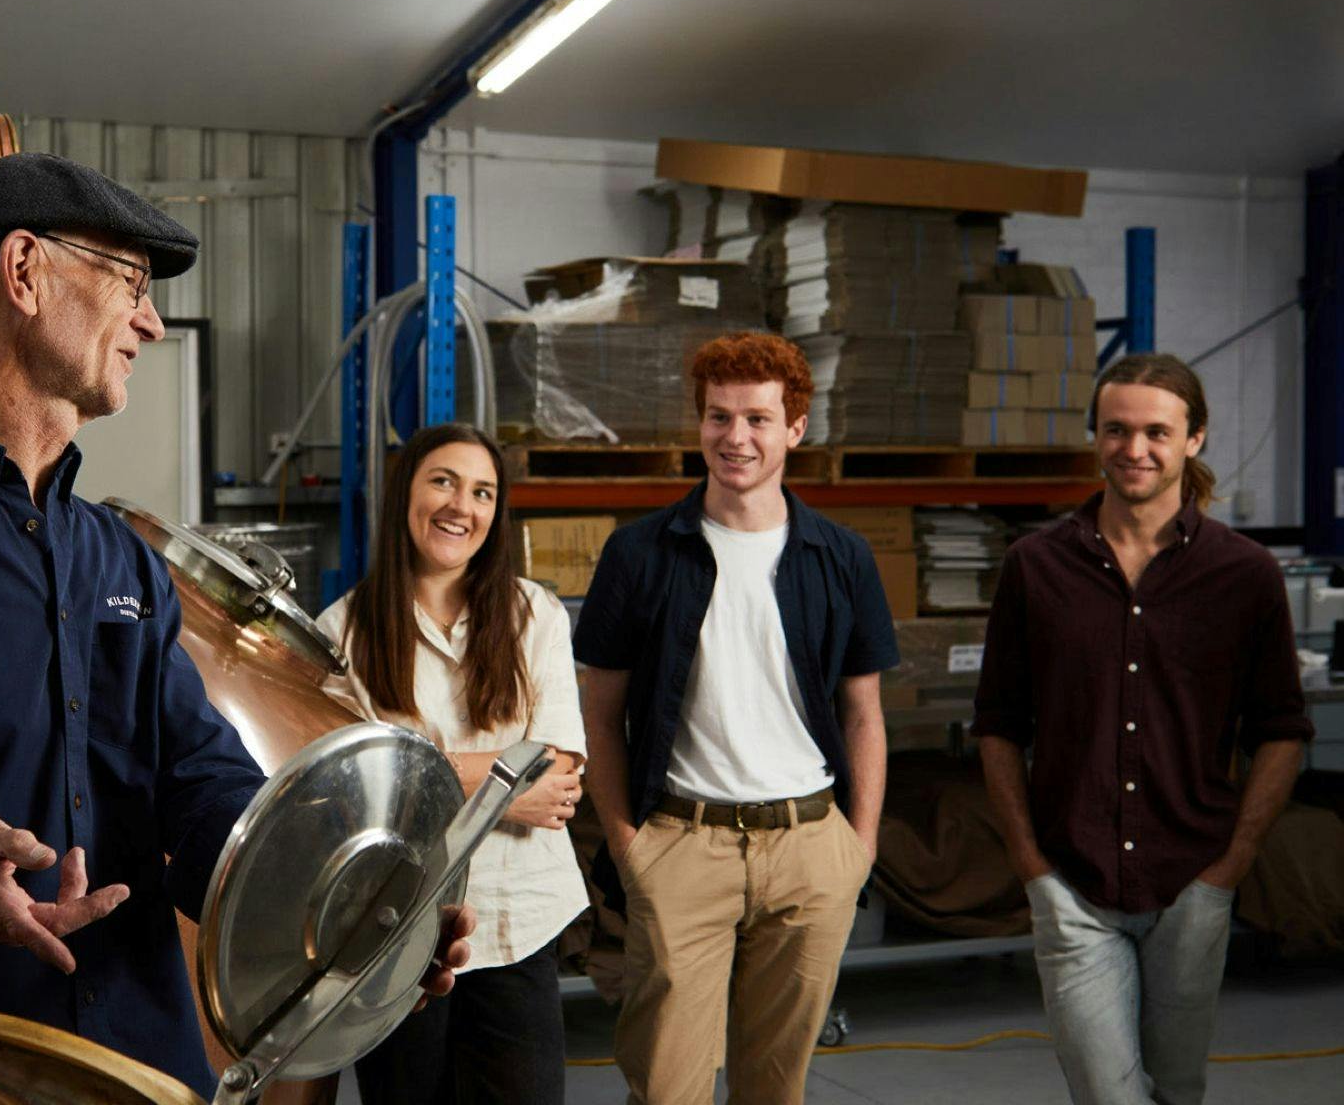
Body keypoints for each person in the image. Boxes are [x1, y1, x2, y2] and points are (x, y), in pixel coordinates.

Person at [0, 152, 470, 1096]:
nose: (152, 321)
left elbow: (200, 786)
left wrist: (355, 908)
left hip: (137, 1059)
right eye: (129, 281)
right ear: (23, 272)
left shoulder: (120, 559)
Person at [973, 353, 1312, 1105]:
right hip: (1072, 884)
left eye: (1157, 431)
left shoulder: (1245, 574)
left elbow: (1283, 729)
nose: (1135, 449)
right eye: (1117, 430)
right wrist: (1032, 865)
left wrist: (1234, 860)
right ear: (1094, 437)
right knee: (1109, 1094)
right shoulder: (1035, 567)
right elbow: (996, 725)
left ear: (1194, 439)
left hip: (1193, 882)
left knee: (1178, 1091)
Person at [574, 332, 898, 1105]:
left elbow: (864, 715)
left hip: (811, 849)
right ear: (700, 425)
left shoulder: (842, 557)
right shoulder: (640, 554)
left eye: (757, 418)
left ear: (796, 427)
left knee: (775, 1089)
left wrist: (857, 849)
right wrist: (630, 849)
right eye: (719, 417)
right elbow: (596, 713)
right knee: (666, 1088)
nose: (736, 438)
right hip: (682, 849)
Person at [316, 423, 589, 1104]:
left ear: (496, 515)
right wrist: (505, 786)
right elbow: (352, 792)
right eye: (442, 481)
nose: (460, 505)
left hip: (517, 924)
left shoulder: (536, 616)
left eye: (482, 492)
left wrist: (411, 768)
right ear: (406, 492)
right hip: (396, 934)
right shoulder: (340, 633)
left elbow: (555, 779)